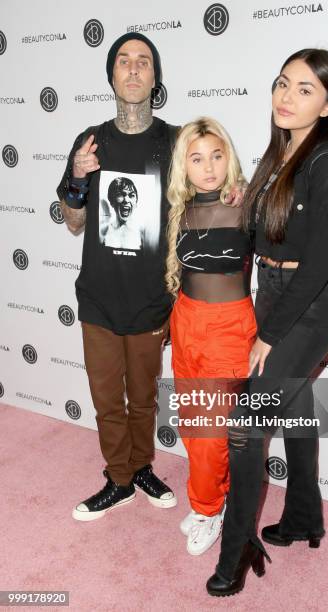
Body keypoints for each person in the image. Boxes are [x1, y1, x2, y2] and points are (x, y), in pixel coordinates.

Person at [206, 48, 328, 596]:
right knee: (295, 409)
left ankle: (236, 551)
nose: (286, 95)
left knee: (246, 429)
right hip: (273, 297)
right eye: (282, 83)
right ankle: (303, 517)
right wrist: (241, 202)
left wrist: (271, 335)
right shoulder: (279, 157)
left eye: (304, 89)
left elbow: (325, 252)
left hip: (310, 307)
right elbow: (265, 237)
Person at [57, 32, 179, 520]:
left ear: (155, 77)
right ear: (110, 75)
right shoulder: (91, 140)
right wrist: (78, 181)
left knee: (144, 397)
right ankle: (118, 479)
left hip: (152, 297)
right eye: (123, 61)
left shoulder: (175, 141)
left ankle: (142, 467)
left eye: (143, 62)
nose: (132, 69)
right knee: (108, 397)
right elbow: (73, 222)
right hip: (99, 299)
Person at [166, 117, 255, 555]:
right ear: (184, 165)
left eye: (216, 156)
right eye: (197, 158)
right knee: (191, 422)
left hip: (229, 327)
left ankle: (207, 509)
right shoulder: (180, 211)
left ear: (229, 158)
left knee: (210, 431)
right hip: (186, 321)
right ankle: (211, 499)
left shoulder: (247, 204)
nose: (208, 167)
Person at [101, 176, 142, 249]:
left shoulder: (142, 232)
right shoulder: (104, 231)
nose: (126, 200)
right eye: (120, 195)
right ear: (112, 201)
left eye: (131, 195)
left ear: (136, 202)